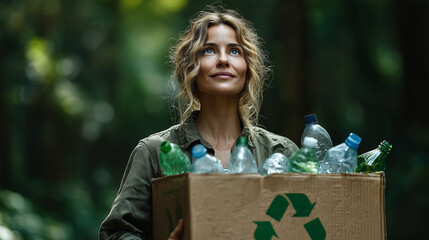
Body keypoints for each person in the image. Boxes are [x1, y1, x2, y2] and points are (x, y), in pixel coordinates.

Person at [99, 6, 298, 240]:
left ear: (248, 69)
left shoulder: (281, 152)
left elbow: (307, 220)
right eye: (209, 51)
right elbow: (115, 233)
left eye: (234, 51)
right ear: (190, 68)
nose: (223, 60)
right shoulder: (153, 153)